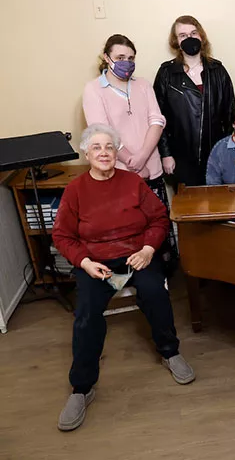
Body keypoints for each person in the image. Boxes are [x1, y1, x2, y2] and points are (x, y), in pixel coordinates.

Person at [53, 124, 195, 432]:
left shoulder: (133, 182)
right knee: (86, 313)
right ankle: (81, 388)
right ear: (86, 153)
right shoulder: (75, 190)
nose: (104, 152)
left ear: (116, 152)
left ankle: (170, 352)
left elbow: (159, 218)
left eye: (109, 147)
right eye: (96, 147)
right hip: (97, 263)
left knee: (155, 292)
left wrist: (147, 249)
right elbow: (62, 235)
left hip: (136, 256)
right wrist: (85, 262)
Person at [83, 34, 178, 275]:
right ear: (107, 58)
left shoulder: (143, 85)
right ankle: (134, 274)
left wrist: (143, 157)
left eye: (131, 58)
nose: (127, 62)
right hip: (120, 172)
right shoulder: (93, 90)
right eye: (120, 57)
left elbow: (156, 120)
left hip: (151, 168)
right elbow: (102, 131)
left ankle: (162, 274)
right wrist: (132, 162)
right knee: (129, 227)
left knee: (157, 223)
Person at [154, 15, 235, 186]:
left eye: (193, 33)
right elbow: (158, 118)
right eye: (182, 35)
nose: (189, 38)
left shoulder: (218, 71)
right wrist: (166, 154)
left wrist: (227, 153)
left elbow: (230, 115)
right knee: (187, 201)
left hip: (214, 154)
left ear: (201, 36)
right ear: (176, 41)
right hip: (180, 157)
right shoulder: (166, 73)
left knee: (216, 200)